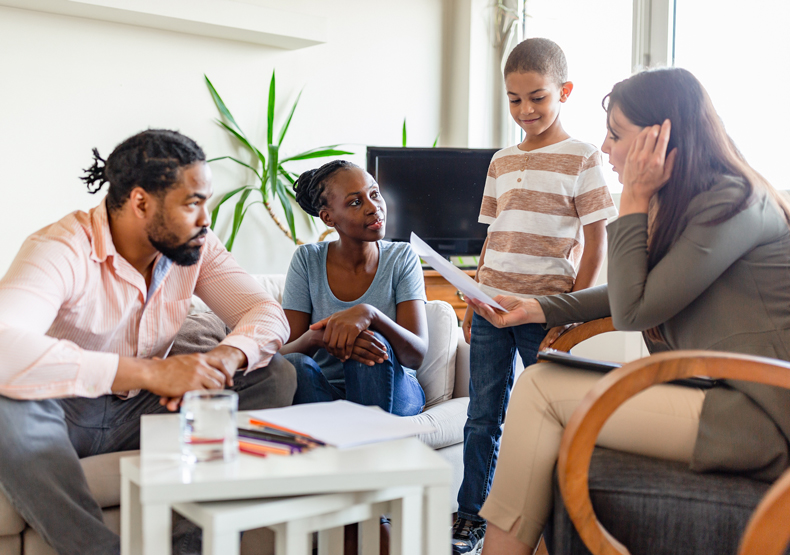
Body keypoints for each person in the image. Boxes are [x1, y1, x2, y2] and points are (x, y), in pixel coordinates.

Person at [467, 67, 790, 555]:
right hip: (721, 394)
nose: (606, 147)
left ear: (661, 136)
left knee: (537, 390)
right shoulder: (705, 201)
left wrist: (634, 198)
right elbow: (636, 291)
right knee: (540, 389)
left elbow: (635, 308)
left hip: (758, 416)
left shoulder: (735, 203)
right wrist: (538, 307)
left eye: (616, 134)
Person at [0, 129, 296, 555]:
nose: (206, 218)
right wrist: (153, 371)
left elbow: (265, 312)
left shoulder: (195, 246)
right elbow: (6, 344)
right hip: (63, 413)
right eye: (193, 202)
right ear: (141, 202)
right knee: (6, 405)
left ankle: (188, 546)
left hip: (147, 414)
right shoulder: (61, 247)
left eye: (207, 201)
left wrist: (224, 360)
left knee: (273, 373)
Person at [453, 37, 618, 553]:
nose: (526, 110)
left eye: (538, 98)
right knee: (482, 415)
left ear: (564, 91)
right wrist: (471, 297)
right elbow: (493, 237)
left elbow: (596, 241)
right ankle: (471, 514)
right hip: (490, 307)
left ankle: (556, 520)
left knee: (551, 414)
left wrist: (571, 311)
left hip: (544, 311)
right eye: (515, 100)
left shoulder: (583, 156)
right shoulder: (501, 160)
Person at [280, 160, 428, 416]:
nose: (375, 208)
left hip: (396, 389)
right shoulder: (307, 260)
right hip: (327, 392)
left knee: (371, 343)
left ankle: (363, 443)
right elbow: (283, 353)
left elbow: (416, 356)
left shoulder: (402, 257)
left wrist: (370, 315)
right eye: (355, 202)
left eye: (374, 194)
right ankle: (338, 442)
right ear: (328, 217)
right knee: (294, 364)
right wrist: (317, 338)